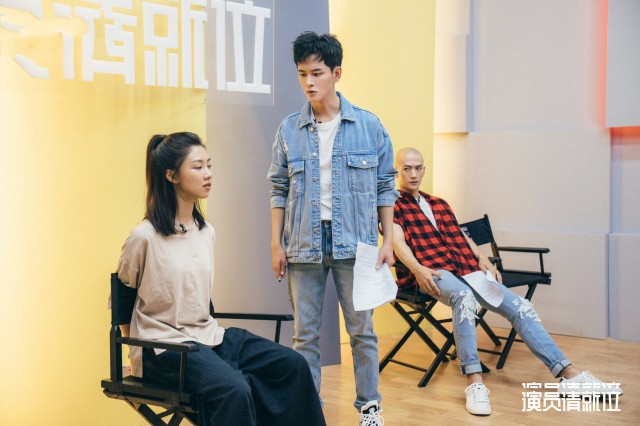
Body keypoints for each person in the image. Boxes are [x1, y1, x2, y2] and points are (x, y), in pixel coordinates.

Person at [391, 147, 623, 416]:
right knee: (464, 299)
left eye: (418, 167)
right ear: (397, 171)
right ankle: (474, 382)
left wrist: (482, 258)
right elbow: (397, 243)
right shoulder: (392, 205)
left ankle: (569, 375)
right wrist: (418, 270)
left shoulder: (439, 203)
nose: (413, 174)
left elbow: (461, 236)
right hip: (433, 271)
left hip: (466, 267)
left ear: (424, 169)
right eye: (407, 168)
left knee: (521, 307)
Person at [116, 132, 325, 426]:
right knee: (234, 389)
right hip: (162, 348)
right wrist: (132, 349)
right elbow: (123, 294)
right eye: (197, 167)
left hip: (206, 335)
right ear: (171, 175)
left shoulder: (206, 232)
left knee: (292, 364)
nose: (208, 174)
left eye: (209, 165)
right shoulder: (144, 236)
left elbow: (196, 295)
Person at [267, 32, 398, 425]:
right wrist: (275, 243)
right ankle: (309, 413)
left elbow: (385, 185)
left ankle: (370, 408)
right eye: (302, 74)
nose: (309, 82)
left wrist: (388, 240)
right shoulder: (289, 129)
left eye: (317, 73)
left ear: (336, 73)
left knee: (362, 332)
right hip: (303, 243)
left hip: (356, 245)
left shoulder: (369, 126)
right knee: (304, 337)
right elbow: (278, 187)